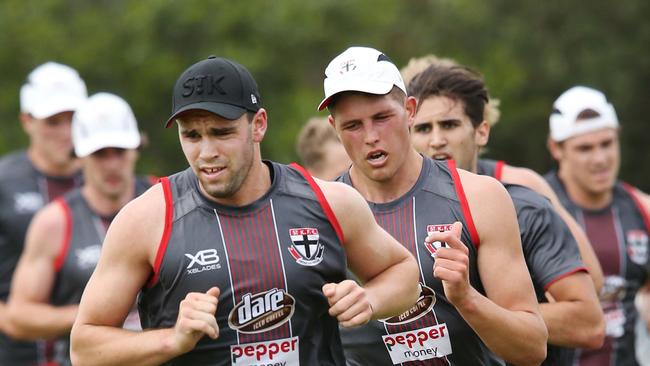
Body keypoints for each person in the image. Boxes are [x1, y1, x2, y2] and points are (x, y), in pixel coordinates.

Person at [69, 55, 420, 365]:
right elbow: (85, 347)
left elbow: (404, 275)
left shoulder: (329, 202)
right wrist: (171, 340)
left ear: (259, 125)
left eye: (222, 133)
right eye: (192, 135)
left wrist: (369, 300)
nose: (207, 152)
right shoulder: (146, 219)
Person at [320, 46, 547, 365]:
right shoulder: (316, 212)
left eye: (382, 117)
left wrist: (466, 298)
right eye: (353, 125)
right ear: (334, 128)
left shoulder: (479, 196)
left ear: (410, 110)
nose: (370, 136)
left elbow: (531, 348)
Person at [406, 62, 605, 365]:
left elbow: (590, 315)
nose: (436, 140)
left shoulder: (523, 199)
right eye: (423, 128)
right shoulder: (391, 212)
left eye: (449, 125)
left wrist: (483, 311)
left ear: (481, 131)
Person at [4, 92, 153, 365]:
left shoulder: (165, 199)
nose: (111, 164)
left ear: (136, 149)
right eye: (99, 154)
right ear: (79, 156)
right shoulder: (55, 221)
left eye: (119, 151)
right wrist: (98, 315)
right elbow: (19, 316)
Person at [544, 85, 650, 365]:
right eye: (585, 148)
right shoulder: (535, 208)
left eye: (607, 144)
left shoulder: (643, 209)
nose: (600, 159)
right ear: (556, 148)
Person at [0, 61, 86, 365]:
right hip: (18, 353)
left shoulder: (107, 177)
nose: (66, 132)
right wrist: (15, 318)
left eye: (73, 119)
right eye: (53, 121)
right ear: (27, 121)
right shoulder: (4, 181)